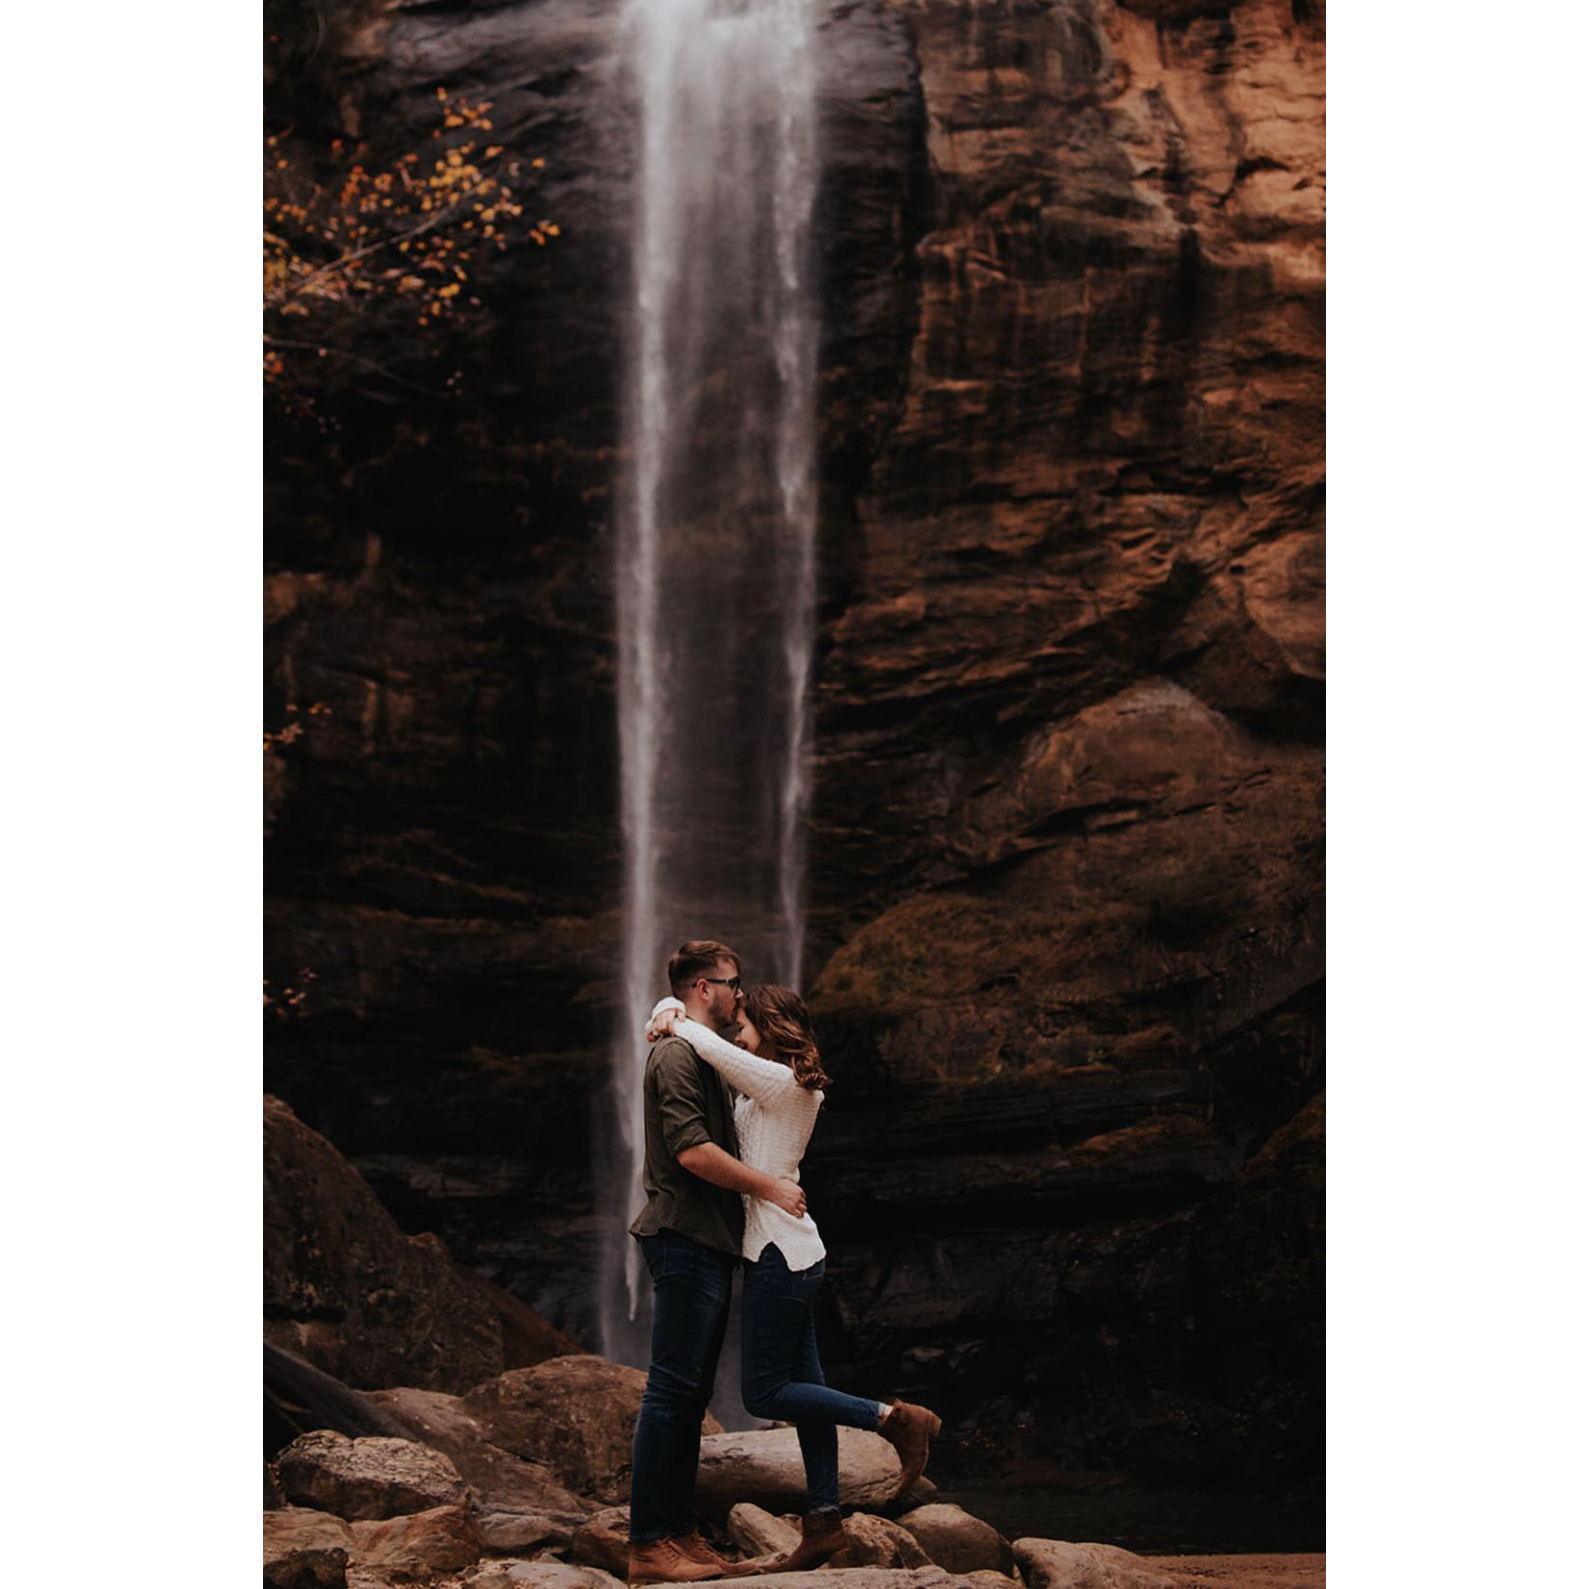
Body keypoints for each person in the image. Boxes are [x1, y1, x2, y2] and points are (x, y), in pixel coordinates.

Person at [646, 982, 942, 1574]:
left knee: (764, 1393)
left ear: (770, 1026)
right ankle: (824, 1523)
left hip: (779, 1254)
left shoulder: (784, 1084)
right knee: (808, 1392)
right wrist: (665, 1008)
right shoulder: (775, 1085)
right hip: (788, 1251)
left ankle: (894, 1419)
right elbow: (712, 1054)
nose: (738, 1034)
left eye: (745, 1024)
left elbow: (710, 1048)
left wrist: (672, 1020)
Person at [626, 941, 810, 1586]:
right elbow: (692, 1152)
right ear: (706, 988)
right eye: (734, 983)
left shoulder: (701, 1049)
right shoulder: (677, 1054)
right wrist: (769, 1188)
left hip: (707, 1240)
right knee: (670, 1392)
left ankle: (679, 1534)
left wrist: (666, 1008)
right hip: (682, 1235)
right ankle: (649, 1543)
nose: (741, 994)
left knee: (688, 1393)